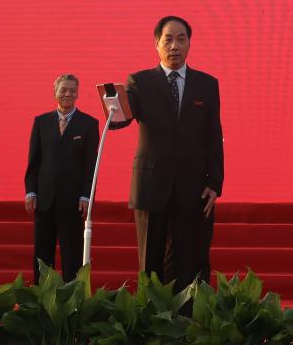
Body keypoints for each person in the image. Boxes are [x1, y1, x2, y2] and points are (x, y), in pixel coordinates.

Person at [111, 16, 224, 292]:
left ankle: (186, 315)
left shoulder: (206, 84)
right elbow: (121, 118)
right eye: (168, 40)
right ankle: (150, 314)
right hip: (151, 185)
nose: (175, 46)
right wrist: (113, 105)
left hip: (192, 187)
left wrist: (214, 183)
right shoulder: (139, 82)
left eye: (181, 39)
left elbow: (213, 136)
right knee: (150, 262)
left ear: (189, 44)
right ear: (157, 44)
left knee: (188, 262)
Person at [24, 74, 100, 283]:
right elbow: (34, 161)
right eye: (63, 90)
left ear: (78, 93)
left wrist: (86, 196)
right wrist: (30, 191)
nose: (68, 94)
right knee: (42, 254)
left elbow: (90, 166)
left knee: (72, 255)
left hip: (73, 201)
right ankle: (42, 295)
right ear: (55, 93)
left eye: (72, 90)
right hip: (44, 199)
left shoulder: (88, 124)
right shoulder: (41, 122)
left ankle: (71, 297)